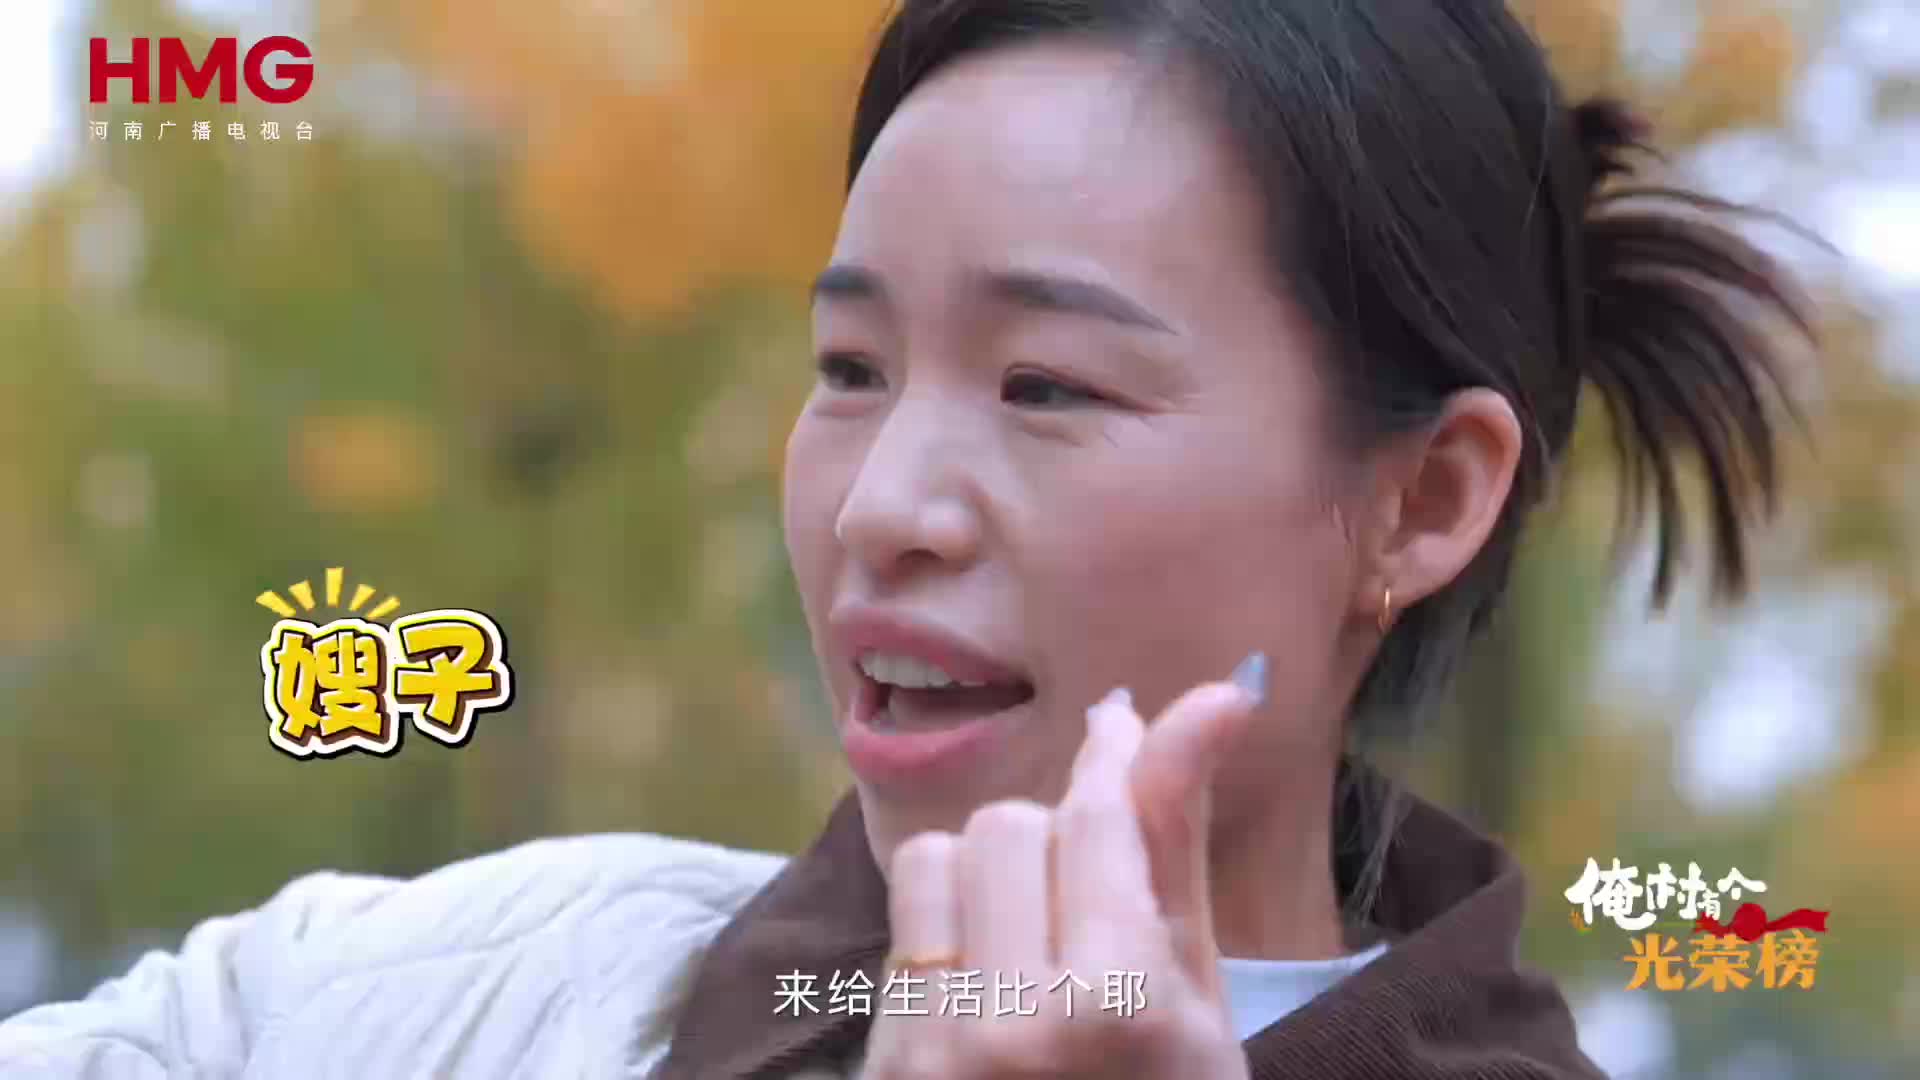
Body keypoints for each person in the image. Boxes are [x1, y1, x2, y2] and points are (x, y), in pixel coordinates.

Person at [1, 0, 1816, 1077]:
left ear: (1422, 501)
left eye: (1047, 386)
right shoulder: (458, 988)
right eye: (851, 369)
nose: (880, 507)